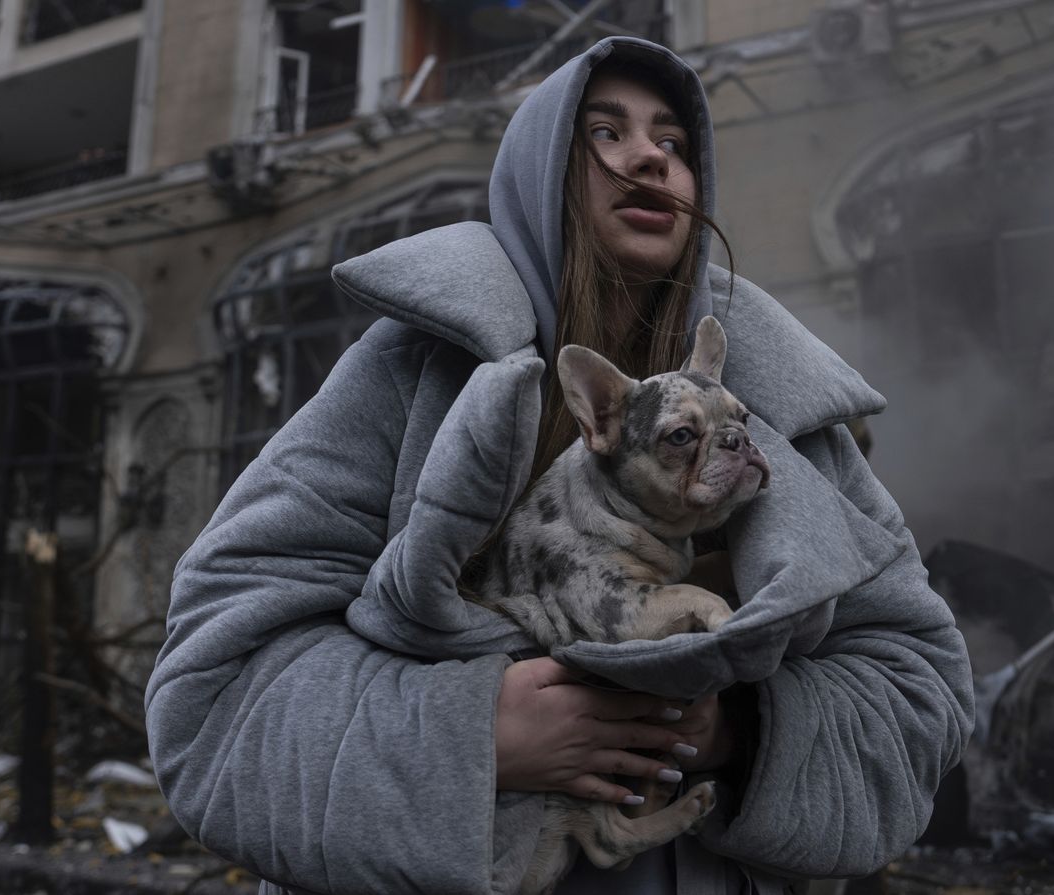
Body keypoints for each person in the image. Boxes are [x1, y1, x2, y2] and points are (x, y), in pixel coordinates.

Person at [145, 36, 974, 895]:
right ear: (538, 176)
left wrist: (732, 731)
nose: (649, 156)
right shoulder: (412, 370)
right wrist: (479, 736)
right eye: (605, 133)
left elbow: (919, 686)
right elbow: (214, 685)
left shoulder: (776, 410)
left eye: (673, 142)